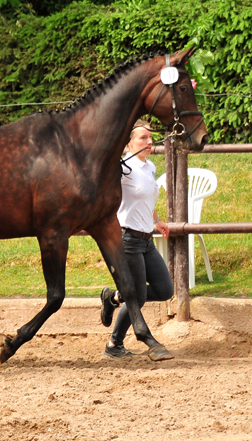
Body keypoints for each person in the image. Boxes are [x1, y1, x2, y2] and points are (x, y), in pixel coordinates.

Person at [100, 120, 173, 359]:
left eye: (151, 138)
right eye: (143, 138)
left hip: (147, 239)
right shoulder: (123, 167)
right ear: (129, 143)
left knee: (164, 289)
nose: (149, 142)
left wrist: (157, 220)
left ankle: (115, 297)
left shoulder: (149, 167)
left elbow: (147, 198)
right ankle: (114, 345)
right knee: (139, 296)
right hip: (127, 238)